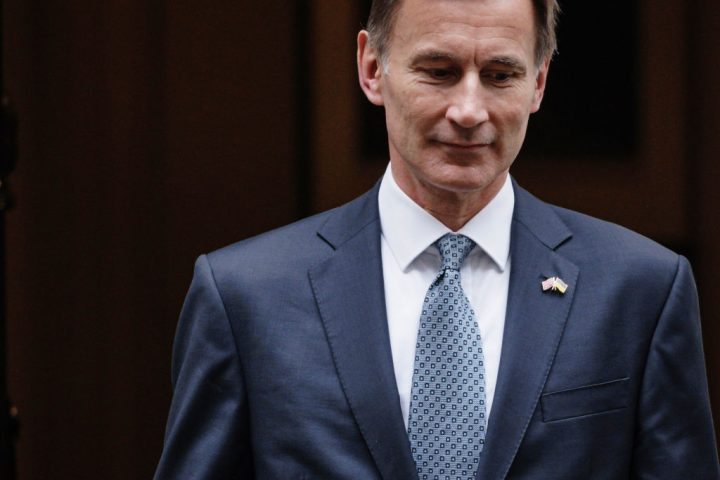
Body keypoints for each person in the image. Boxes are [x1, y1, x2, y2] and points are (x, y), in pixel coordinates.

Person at [154, 0, 720, 478]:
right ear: (371, 68)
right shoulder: (246, 297)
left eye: (500, 75)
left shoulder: (640, 290)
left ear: (539, 82)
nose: (469, 111)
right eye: (439, 71)